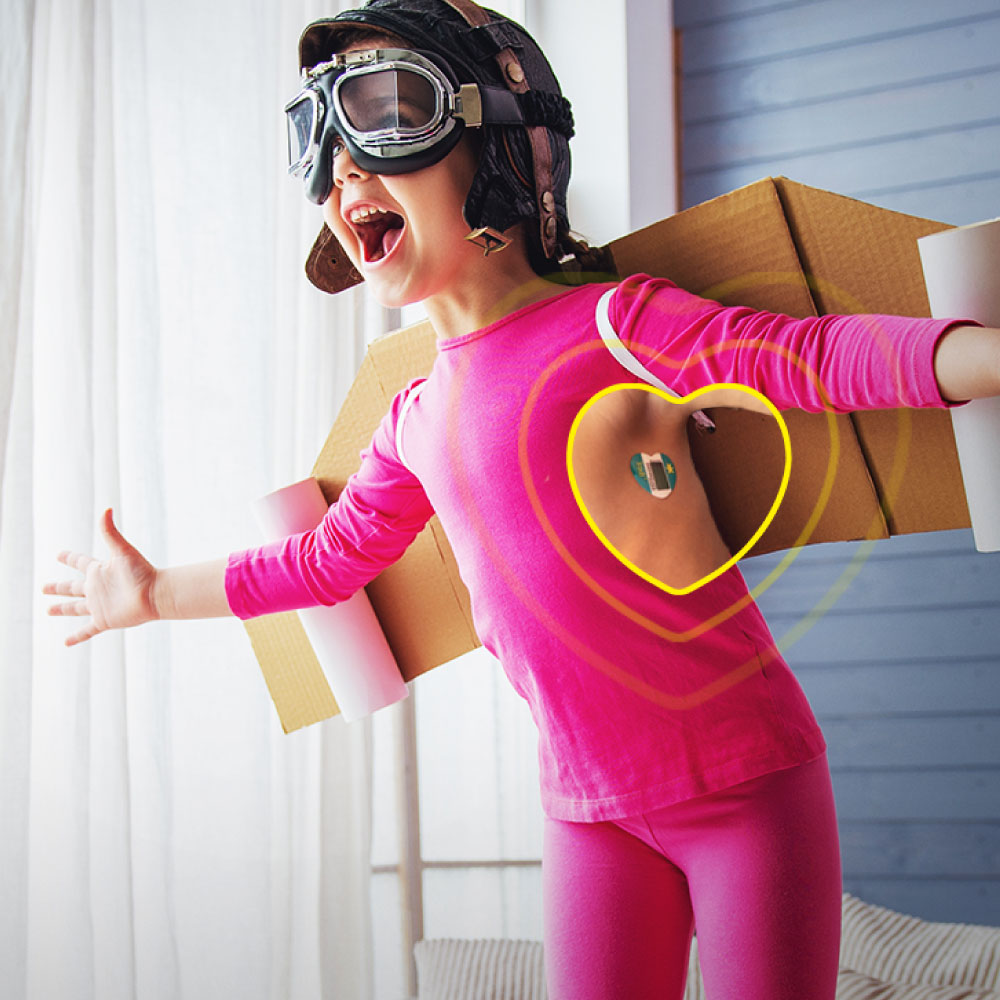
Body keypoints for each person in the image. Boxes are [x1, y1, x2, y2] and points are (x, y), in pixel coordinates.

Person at [43, 2, 1000, 997]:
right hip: (588, 815)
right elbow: (324, 562)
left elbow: (808, 358)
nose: (344, 173)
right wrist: (149, 594)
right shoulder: (412, 416)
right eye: (323, 143)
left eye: (383, 111)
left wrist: (986, 355)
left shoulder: (616, 325)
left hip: (745, 785)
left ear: (502, 146)